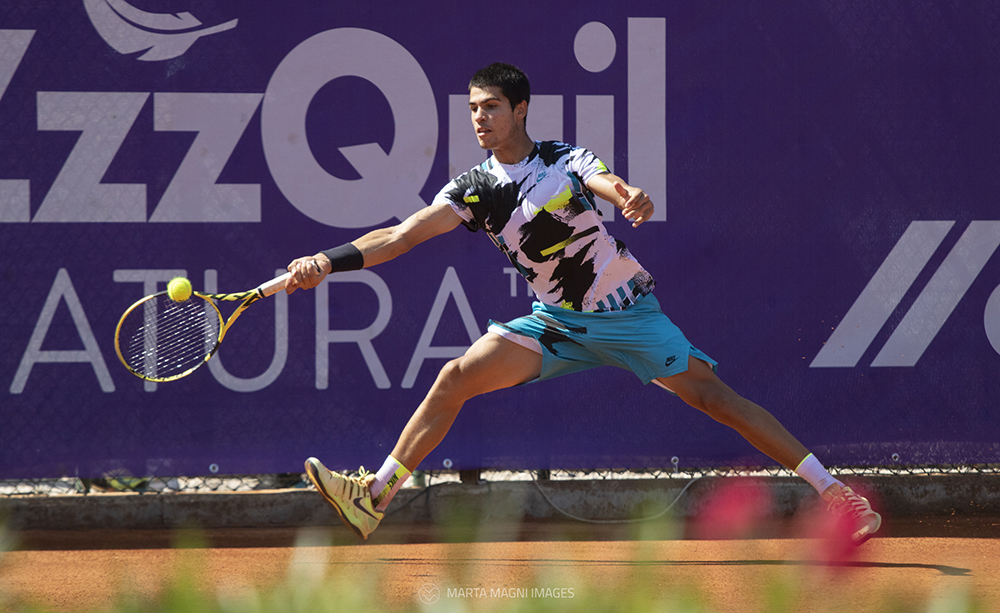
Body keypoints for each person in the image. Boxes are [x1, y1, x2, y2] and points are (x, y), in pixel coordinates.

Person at [284, 62, 881, 544]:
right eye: (472, 109)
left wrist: (630, 197)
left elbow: (608, 184)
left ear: (520, 109)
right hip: (556, 324)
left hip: (627, 315)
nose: (479, 119)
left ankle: (835, 493)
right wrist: (326, 262)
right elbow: (401, 235)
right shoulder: (473, 190)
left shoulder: (562, 159)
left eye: (490, 106)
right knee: (455, 377)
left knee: (716, 400)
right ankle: (375, 497)